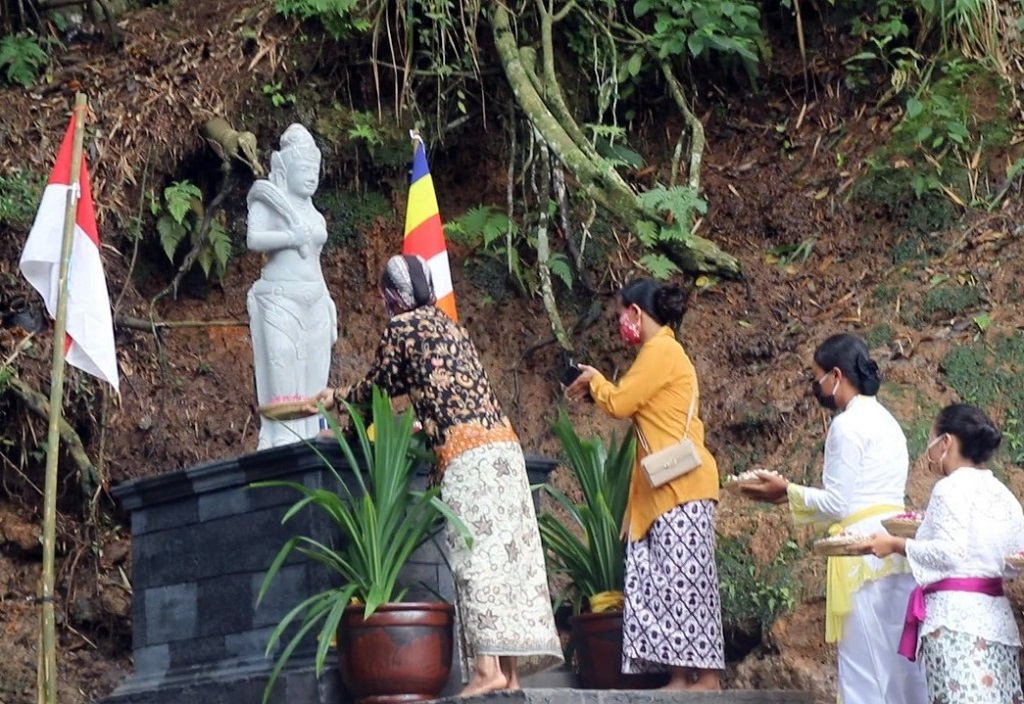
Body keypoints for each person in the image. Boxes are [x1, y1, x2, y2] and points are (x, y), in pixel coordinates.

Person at [312, 254, 562, 695]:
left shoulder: (402, 328)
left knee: (477, 557)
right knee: (509, 559)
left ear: (393, 295)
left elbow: (379, 389)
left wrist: (338, 404)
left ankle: (487, 671)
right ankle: (511, 673)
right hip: (505, 447)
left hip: (467, 453)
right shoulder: (450, 326)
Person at [742, 333, 927, 704]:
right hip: (896, 549)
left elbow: (840, 503)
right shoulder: (890, 422)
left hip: (860, 551)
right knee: (902, 665)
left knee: (863, 669)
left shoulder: (846, 425)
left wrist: (787, 491)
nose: (818, 387)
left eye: (818, 378)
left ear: (837, 375)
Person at [564, 278, 724, 691]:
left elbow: (620, 403)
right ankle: (678, 674)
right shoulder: (662, 350)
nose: (620, 324)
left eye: (621, 316)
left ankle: (704, 678)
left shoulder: (662, 351)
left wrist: (596, 380)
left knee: (688, 583)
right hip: (669, 486)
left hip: (682, 486)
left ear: (635, 313)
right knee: (670, 582)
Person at [866, 404, 1024, 704]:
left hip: (954, 626)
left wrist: (898, 544)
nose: (929, 451)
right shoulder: (1004, 495)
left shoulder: (948, 489)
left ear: (947, 442)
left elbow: (949, 552)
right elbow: (1014, 561)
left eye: (931, 440)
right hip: (998, 625)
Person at [246, 123, 338, 449]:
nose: (311, 175)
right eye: (304, 168)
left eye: (315, 168)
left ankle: (311, 431)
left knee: (314, 375)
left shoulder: (316, 216)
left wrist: (328, 299)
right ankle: (280, 435)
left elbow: (315, 261)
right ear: (284, 169)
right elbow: (253, 239)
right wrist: (289, 237)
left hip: (315, 297)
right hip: (279, 297)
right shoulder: (266, 201)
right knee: (283, 362)